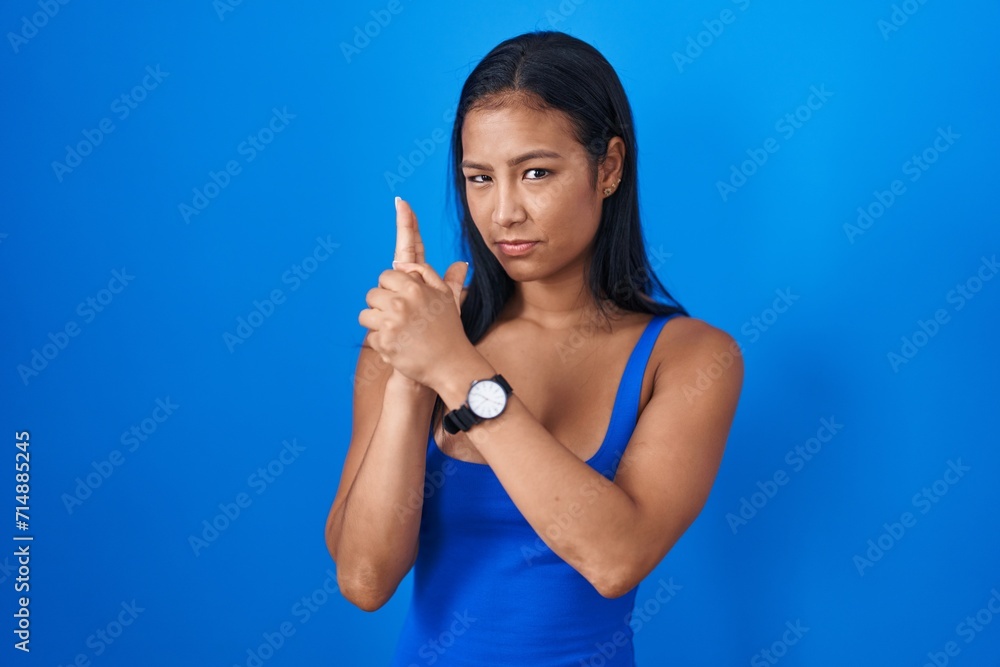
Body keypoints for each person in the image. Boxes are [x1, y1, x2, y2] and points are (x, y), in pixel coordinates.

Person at [325, 30, 743, 666]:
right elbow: (365, 579)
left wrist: (454, 368)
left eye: (537, 173)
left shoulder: (688, 358)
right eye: (480, 178)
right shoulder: (412, 341)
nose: (504, 213)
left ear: (608, 168)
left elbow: (614, 559)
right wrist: (412, 375)